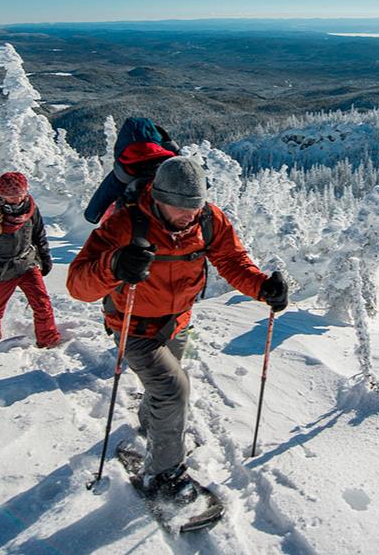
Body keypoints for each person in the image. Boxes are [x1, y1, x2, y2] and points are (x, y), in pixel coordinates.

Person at [67, 156, 288, 498]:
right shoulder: (126, 225)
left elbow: (231, 260)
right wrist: (115, 265)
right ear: (157, 197)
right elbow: (77, 284)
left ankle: (155, 426)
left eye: (195, 207)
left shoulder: (208, 220)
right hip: (132, 326)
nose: (189, 216)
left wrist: (261, 287)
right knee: (173, 389)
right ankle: (164, 476)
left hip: (177, 323)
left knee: (164, 390)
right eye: (180, 207)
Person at [0, 171, 63, 348]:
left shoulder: (30, 208)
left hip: (27, 264)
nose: (16, 200)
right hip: (0, 270)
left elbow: (39, 235)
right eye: (10, 197)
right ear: (0, 195)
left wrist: (44, 257)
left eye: (20, 195)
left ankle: (48, 341)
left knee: (42, 304)